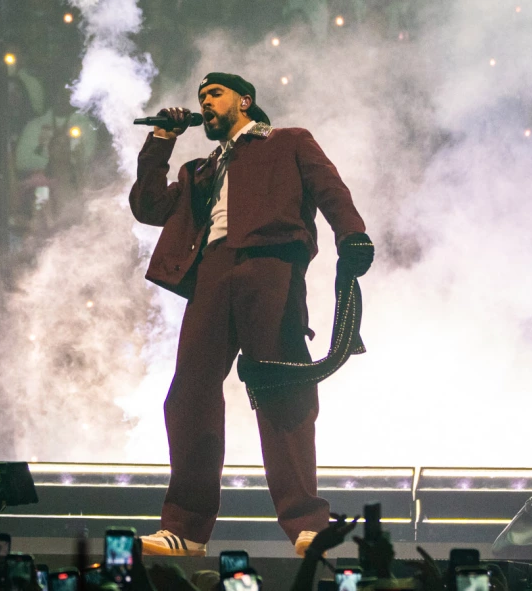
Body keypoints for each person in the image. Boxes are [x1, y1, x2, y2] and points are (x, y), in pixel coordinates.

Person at [129, 72, 374, 557]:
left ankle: (307, 522)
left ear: (245, 100)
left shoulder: (287, 142)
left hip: (271, 264)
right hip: (212, 272)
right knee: (189, 394)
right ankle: (186, 529)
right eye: (200, 97)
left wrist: (352, 233)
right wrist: (161, 140)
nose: (205, 102)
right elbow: (148, 206)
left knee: (281, 385)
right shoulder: (200, 171)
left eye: (214, 94)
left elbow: (330, 189)